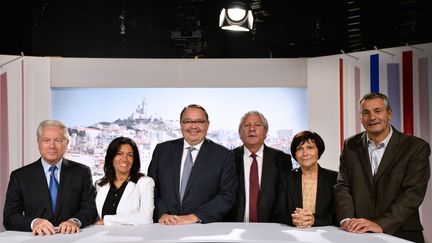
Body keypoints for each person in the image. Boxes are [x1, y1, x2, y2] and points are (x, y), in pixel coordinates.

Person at [334, 92, 431, 242]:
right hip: (358, 233)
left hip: (401, 232)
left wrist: (380, 224)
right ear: (361, 118)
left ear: (389, 113)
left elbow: (412, 194)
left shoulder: (415, 147)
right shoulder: (350, 145)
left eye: (378, 111)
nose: (372, 117)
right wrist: (346, 219)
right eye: (366, 113)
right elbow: (343, 186)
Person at [3, 119, 97, 236]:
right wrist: (34, 222)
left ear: (66, 143)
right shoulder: (20, 176)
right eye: (46, 140)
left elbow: (90, 209)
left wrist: (75, 221)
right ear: (38, 143)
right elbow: (9, 217)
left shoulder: (82, 172)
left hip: (71, 237)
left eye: (58, 140)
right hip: (35, 238)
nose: (52, 146)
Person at [147, 104, 237, 225]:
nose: (193, 126)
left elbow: (227, 195)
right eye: (187, 121)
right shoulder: (161, 151)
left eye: (199, 121)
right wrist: (162, 213)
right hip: (165, 226)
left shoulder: (223, 155)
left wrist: (195, 216)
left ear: (207, 124)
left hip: (203, 228)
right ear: (181, 124)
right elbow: (152, 188)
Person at [224, 111, 292, 222]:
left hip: (271, 229)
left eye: (257, 125)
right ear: (239, 133)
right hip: (234, 228)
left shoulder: (281, 160)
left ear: (265, 132)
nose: (252, 129)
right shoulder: (227, 158)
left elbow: (285, 198)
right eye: (247, 125)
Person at [272, 131, 337, 227]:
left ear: (319, 151)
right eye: (299, 149)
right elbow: (278, 213)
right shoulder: (285, 179)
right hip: (294, 235)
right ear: (295, 154)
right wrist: (292, 220)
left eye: (310, 148)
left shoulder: (334, 178)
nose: (305, 153)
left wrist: (314, 220)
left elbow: (338, 215)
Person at [94, 137, 154, 225]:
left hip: (132, 237)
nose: (125, 159)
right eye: (119, 153)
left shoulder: (145, 182)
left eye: (130, 155)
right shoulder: (100, 184)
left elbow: (145, 218)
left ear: (134, 159)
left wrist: (107, 221)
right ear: (111, 158)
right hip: (102, 237)